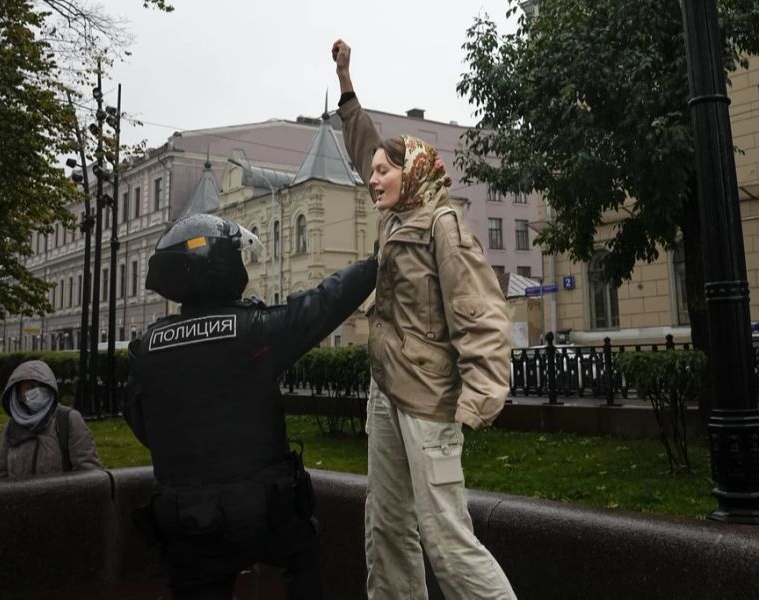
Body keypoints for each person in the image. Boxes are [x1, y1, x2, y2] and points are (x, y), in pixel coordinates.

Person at [333, 40, 517, 600]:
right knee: (387, 527)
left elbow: (482, 312)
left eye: (386, 171)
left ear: (411, 171)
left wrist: (479, 397)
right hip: (385, 391)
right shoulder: (396, 216)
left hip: (430, 398)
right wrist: (345, 82)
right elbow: (366, 142)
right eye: (372, 172)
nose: (374, 178)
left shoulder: (441, 223)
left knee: (445, 537)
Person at [124, 213, 376, 600]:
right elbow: (324, 303)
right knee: (303, 555)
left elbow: (141, 423)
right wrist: (376, 264)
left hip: (185, 521)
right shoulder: (251, 331)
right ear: (220, 264)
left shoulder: (147, 348)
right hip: (263, 513)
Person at [0, 359, 100, 479]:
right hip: (21, 497)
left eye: (42, 386)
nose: (37, 391)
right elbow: (1, 475)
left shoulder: (68, 419)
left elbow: (88, 474)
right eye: (30, 387)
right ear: (18, 394)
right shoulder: (12, 426)